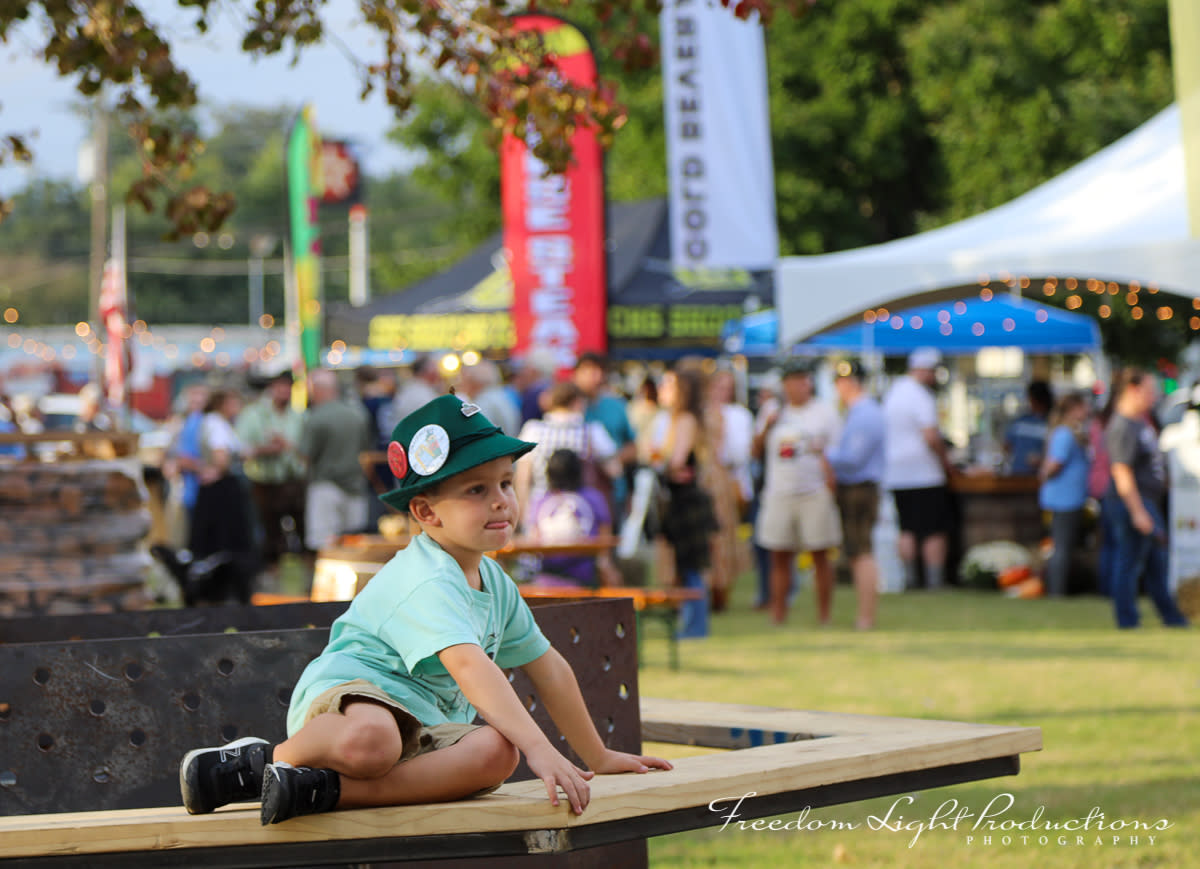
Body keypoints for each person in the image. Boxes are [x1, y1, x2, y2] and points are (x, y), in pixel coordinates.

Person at [178, 394, 671, 825]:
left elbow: (550, 668)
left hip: (423, 723)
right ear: (427, 512)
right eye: (477, 490)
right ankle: (262, 762)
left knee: (498, 753)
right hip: (354, 700)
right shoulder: (428, 577)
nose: (501, 501)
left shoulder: (494, 582)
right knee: (375, 742)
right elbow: (470, 667)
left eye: (504, 483)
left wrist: (597, 754)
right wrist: (543, 747)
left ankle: (318, 792)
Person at [753, 357, 842, 625]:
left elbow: (837, 453)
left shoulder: (825, 413)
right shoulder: (773, 411)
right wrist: (768, 426)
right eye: (793, 380)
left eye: (803, 379)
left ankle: (823, 615)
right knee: (778, 554)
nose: (799, 385)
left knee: (820, 554)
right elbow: (754, 451)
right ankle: (778, 613)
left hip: (813, 491)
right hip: (779, 492)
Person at [1104, 368, 1189, 629]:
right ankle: (1127, 619)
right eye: (1149, 391)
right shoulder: (1122, 425)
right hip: (1133, 502)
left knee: (1155, 562)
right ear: (1132, 389)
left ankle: (1171, 617)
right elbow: (1121, 471)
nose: (1153, 397)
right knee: (1130, 561)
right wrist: (1138, 512)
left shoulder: (1140, 421)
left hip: (1146, 501)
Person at [649, 365, 717, 638]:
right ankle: (692, 624)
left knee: (691, 565)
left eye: (669, 385)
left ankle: (695, 626)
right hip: (681, 498)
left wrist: (660, 464)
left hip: (686, 500)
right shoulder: (678, 419)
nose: (663, 390)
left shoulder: (686, 419)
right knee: (686, 564)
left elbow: (677, 462)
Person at [882, 347, 955, 591]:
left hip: (896, 474)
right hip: (924, 473)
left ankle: (910, 580)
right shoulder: (921, 396)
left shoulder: (894, 392)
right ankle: (934, 582)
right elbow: (931, 437)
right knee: (934, 530)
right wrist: (946, 463)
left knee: (907, 529)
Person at [825, 359, 884, 630]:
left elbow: (853, 459)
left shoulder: (865, 413)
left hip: (860, 488)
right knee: (858, 551)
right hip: (857, 487)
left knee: (861, 552)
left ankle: (866, 617)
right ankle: (864, 615)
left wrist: (822, 452)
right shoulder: (858, 412)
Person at [515, 381, 619, 524]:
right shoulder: (592, 431)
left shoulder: (533, 430)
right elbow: (615, 470)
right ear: (578, 402)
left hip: (540, 507)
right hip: (582, 508)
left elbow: (523, 478)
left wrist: (523, 513)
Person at [236, 370, 307, 574]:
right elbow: (241, 449)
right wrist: (266, 449)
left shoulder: (298, 416)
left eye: (288, 386)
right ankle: (270, 571)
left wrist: (287, 446)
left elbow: (304, 450)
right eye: (280, 386)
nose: (284, 391)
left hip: (293, 480)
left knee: (301, 526)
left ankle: (304, 572)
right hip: (264, 481)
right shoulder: (253, 414)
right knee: (269, 530)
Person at [300, 370, 374, 553]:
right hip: (356, 486)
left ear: (317, 390)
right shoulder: (358, 415)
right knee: (353, 543)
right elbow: (366, 450)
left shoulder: (316, 417)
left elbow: (306, 456)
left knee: (325, 543)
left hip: (325, 486)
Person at [527, 448, 620, 588]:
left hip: (547, 577)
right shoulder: (594, 498)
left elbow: (534, 540)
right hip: (586, 577)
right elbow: (604, 542)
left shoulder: (540, 501)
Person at [706, 367, 754, 612]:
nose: (722, 392)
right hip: (710, 484)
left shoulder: (738, 415)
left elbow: (739, 454)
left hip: (729, 485)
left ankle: (722, 592)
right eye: (718, 386)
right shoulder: (702, 413)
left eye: (727, 387)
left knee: (727, 538)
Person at [1038, 392, 1092, 597]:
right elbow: (1054, 464)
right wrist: (1043, 474)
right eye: (1083, 406)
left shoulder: (1071, 432)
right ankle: (1056, 592)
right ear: (1072, 409)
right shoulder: (1064, 434)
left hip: (1070, 496)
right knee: (1060, 547)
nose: (1087, 411)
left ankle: (1058, 589)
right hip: (1063, 498)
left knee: (1063, 546)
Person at [382, 354, 443, 437]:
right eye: (435, 369)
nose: (438, 373)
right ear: (428, 372)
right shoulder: (421, 394)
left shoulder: (407, 389)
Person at [459, 359, 521, 437]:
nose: (462, 385)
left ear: (476, 382)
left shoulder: (484, 402)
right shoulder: (501, 395)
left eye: (466, 381)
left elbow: (479, 433)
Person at [1005, 380, 1054, 475]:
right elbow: (1007, 445)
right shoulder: (1021, 421)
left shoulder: (1052, 423)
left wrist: (1041, 460)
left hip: (1040, 477)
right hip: (1017, 475)